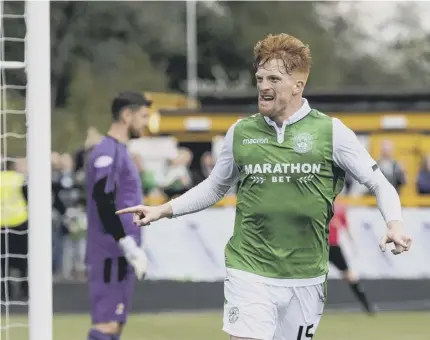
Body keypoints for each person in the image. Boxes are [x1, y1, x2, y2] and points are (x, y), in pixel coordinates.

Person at [117, 34, 412, 340]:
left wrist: (395, 224)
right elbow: (215, 187)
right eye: (259, 77)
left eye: (273, 78)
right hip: (249, 268)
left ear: (298, 86)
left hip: (305, 274)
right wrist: (163, 209)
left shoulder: (332, 132)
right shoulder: (241, 132)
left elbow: (379, 183)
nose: (263, 85)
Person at [85, 91, 151, 340]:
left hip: (120, 253)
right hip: (109, 253)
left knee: (114, 326)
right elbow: (103, 197)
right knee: (106, 326)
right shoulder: (107, 151)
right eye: (143, 116)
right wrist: (124, 241)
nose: (147, 122)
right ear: (126, 115)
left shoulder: (121, 151)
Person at [328, 202, 376, 314]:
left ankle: (366, 305)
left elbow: (345, 227)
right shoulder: (318, 204)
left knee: (349, 275)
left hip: (332, 247)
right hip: (319, 246)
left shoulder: (339, 209)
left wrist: (353, 244)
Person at [0, 160, 28, 301]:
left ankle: (5, 292)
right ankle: (25, 289)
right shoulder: (19, 179)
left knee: (3, 262)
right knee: (24, 259)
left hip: (2, 223)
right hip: (19, 221)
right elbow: (28, 197)